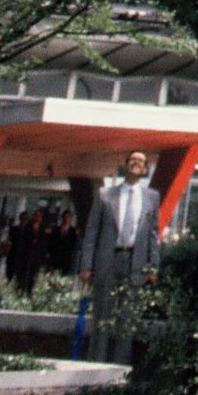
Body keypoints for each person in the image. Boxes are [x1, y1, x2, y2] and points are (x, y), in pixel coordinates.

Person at [78, 152, 159, 357]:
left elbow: (152, 234)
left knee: (127, 321)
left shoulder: (152, 197)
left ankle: (118, 372)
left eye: (141, 162)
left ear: (144, 169)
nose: (136, 163)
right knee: (102, 318)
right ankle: (94, 367)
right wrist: (86, 265)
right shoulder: (105, 194)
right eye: (133, 159)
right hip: (108, 260)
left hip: (136, 263)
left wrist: (153, 267)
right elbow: (92, 231)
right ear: (125, 165)